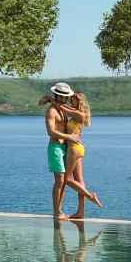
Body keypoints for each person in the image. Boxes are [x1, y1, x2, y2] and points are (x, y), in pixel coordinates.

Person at [63, 90, 102, 220]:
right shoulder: (78, 114)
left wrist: (49, 99)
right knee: (79, 181)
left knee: (66, 179)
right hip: (77, 148)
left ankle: (90, 196)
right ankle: (80, 212)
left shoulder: (79, 114)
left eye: (72, 99)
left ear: (79, 101)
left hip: (74, 149)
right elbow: (65, 108)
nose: (70, 101)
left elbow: (62, 108)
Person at [42, 83, 77, 219]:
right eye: (65, 97)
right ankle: (56, 212)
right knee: (59, 180)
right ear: (59, 96)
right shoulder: (51, 111)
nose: (67, 99)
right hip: (55, 148)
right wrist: (68, 137)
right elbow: (50, 132)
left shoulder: (62, 110)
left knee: (63, 181)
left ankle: (59, 210)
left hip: (64, 148)